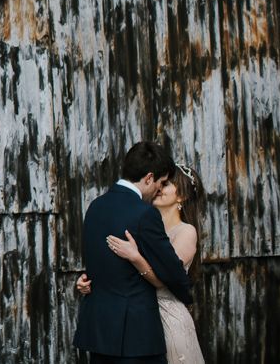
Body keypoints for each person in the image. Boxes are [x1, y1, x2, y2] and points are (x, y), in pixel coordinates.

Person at [73, 142, 192, 363]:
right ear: (148, 178)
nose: (159, 189)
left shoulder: (95, 207)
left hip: (99, 332)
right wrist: (186, 294)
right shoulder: (144, 213)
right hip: (136, 337)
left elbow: (100, 262)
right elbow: (172, 270)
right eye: (161, 182)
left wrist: (83, 281)